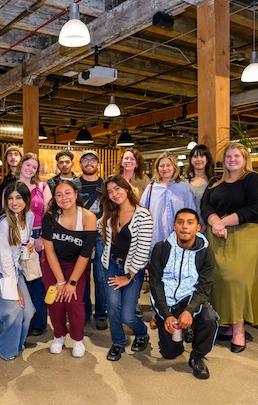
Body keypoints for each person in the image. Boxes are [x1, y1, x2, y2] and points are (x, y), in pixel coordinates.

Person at [201, 142, 258, 353]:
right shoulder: (214, 182)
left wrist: (224, 222)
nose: (232, 160)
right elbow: (205, 205)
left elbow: (256, 207)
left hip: (243, 234)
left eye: (236, 156)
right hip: (217, 234)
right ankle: (229, 325)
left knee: (237, 281)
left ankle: (239, 330)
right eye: (228, 156)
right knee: (219, 280)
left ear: (245, 158)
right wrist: (214, 222)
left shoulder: (253, 179)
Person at [149, 208, 218, 379]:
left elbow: (204, 287)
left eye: (190, 223)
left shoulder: (205, 252)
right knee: (170, 353)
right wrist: (165, 315)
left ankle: (197, 357)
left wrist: (190, 310)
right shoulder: (161, 248)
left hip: (190, 297)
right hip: (167, 301)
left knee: (210, 318)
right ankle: (180, 332)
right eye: (180, 222)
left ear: (198, 227)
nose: (184, 227)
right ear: (174, 226)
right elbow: (155, 284)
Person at [99, 175, 152, 361]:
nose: (114, 194)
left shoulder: (143, 215)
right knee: (112, 308)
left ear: (127, 188)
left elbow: (143, 251)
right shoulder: (110, 214)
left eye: (117, 189)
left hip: (132, 270)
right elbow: (99, 228)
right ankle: (118, 343)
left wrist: (128, 276)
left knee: (127, 316)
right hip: (111, 265)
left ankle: (142, 332)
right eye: (110, 191)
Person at [41, 181, 97, 357]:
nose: (63, 198)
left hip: (77, 264)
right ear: (54, 198)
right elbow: (49, 251)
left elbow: (86, 253)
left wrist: (71, 282)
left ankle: (78, 338)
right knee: (56, 300)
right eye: (59, 194)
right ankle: (59, 335)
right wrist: (60, 281)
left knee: (74, 301)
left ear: (75, 194)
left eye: (67, 193)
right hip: (53, 263)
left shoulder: (88, 217)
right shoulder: (49, 217)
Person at [0, 181, 36, 360]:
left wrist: (30, 245)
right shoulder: (2, 222)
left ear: (26, 199)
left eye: (18, 198)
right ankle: (6, 349)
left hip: (14, 268)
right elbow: (4, 258)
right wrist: (16, 289)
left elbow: (28, 239)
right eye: (10, 198)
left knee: (28, 311)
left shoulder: (29, 216)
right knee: (12, 309)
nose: (14, 202)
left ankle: (15, 344)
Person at [15, 153, 52, 336]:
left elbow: (49, 213)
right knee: (21, 280)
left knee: (37, 281)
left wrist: (42, 237)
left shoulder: (42, 187)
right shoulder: (11, 188)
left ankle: (38, 322)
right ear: (21, 165)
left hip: (37, 235)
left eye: (34, 167)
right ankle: (24, 319)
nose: (30, 169)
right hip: (18, 236)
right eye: (27, 165)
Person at [140, 151, 196, 249]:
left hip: (179, 241)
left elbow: (192, 214)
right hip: (156, 241)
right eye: (161, 166)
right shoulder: (151, 188)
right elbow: (142, 213)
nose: (165, 169)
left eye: (168, 165)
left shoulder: (184, 188)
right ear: (157, 168)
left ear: (174, 167)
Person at [78, 150, 107, 330]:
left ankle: (101, 313)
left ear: (97, 164)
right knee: (81, 275)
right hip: (79, 235)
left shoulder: (105, 185)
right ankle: (85, 311)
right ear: (80, 164)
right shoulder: (73, 185)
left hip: (102, 236)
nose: (89, 163)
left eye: (93, 160)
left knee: (100, 276)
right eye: (85, 160)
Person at [185, 144, 215, 228]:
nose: (198, 159)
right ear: (191, 160)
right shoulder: (184, 182)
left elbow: (214, 208)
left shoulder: (213, 182)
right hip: (187, 228)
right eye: (195, 156)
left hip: (207, 227)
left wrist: (203, 228)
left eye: (202, 156)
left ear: (207, 159)